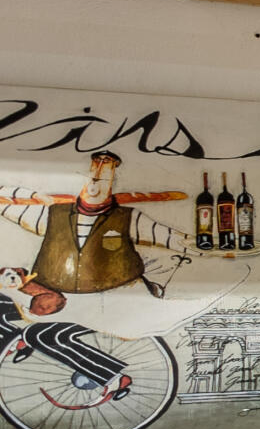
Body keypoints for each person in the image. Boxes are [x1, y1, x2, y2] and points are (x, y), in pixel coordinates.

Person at [0, 265, 132, 405]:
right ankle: (14, 340)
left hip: (91, 300)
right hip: (62, 292)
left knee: (41, 335)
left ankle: (113, 378)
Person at [31, 151, 157, 296]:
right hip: (51, 292)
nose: (94, 186)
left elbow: (172, 238)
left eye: (102, 181)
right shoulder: (53, 212)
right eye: (91, 180)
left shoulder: (127, 216)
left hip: (116, 293)